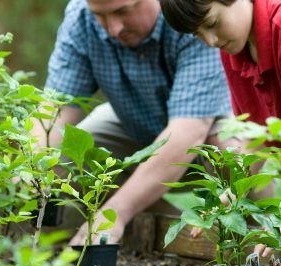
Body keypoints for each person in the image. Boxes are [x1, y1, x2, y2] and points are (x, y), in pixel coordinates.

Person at [33, 0, 233, 246]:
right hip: (133, 122)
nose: (114, 28)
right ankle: (151, 228)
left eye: (123, 11)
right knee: (72, 153)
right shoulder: (81, 16)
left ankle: (259, 241)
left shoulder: (189, 12)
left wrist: (114, 214)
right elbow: (56, 109)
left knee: (232, 152)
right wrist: (29, 170)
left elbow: (186, 133)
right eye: (101, 16)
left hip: (208, 123)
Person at [159, 0, 281, 257]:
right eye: (198, 34)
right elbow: (258, 137)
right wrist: (231, 196)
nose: (210, 40)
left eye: (212, 23)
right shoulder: (234, 49)